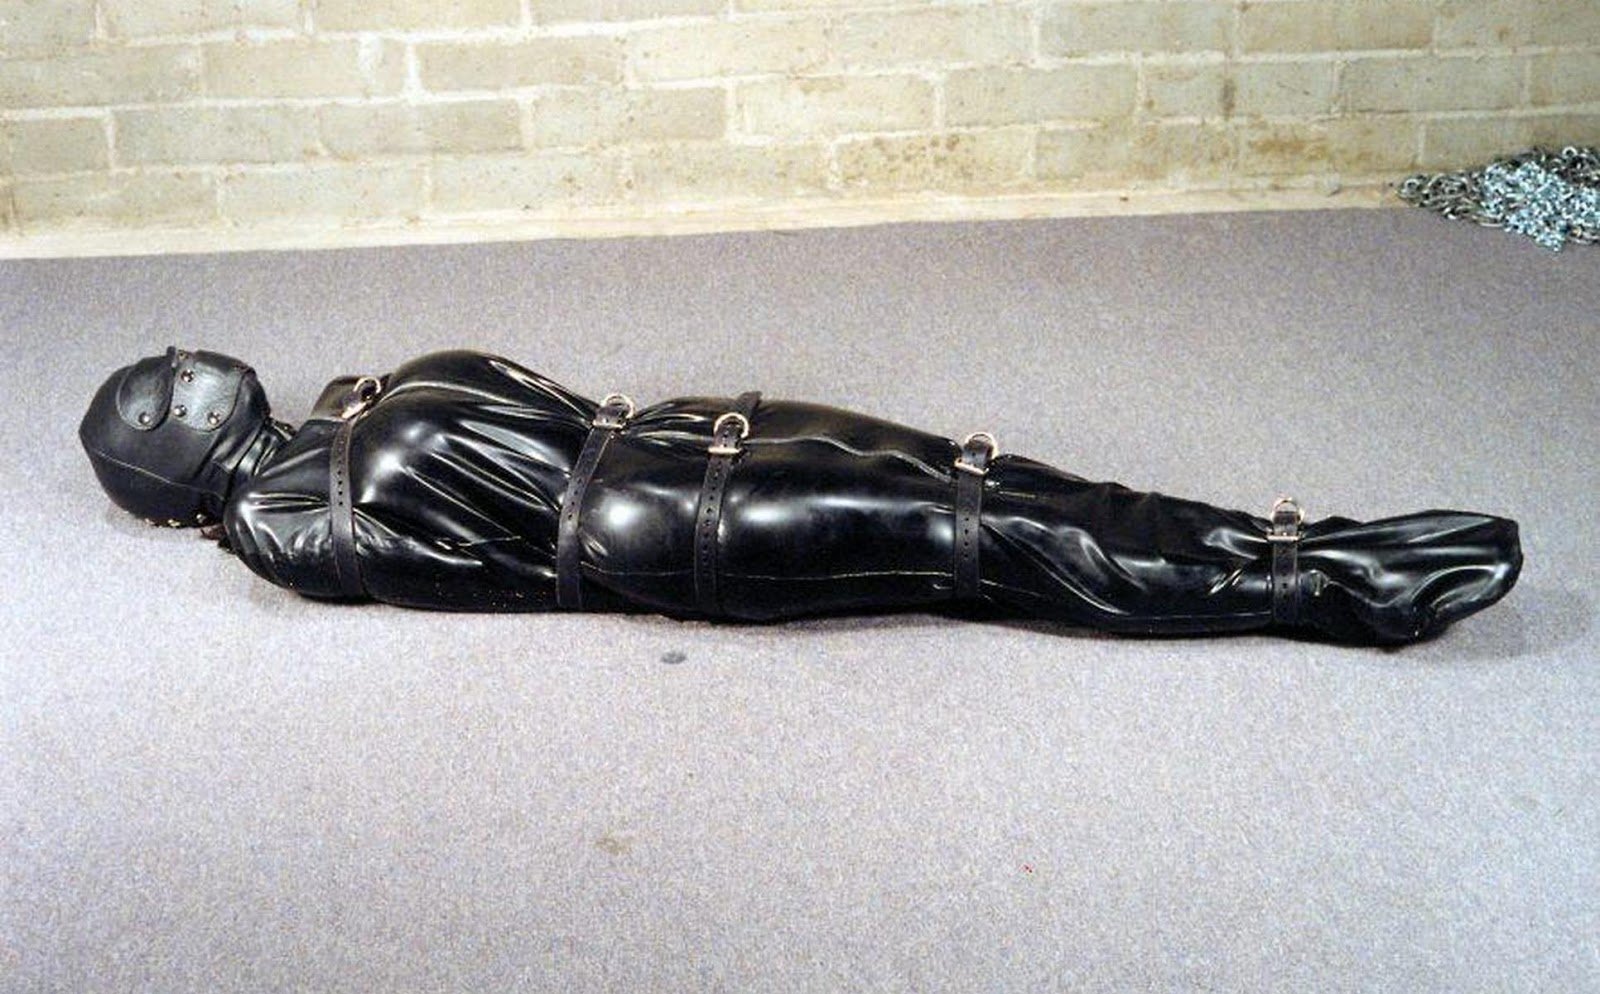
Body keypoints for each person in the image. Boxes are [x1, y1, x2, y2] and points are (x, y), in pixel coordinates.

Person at [79, 346, 1521, 644]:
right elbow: (473, 565)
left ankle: (1303, 539)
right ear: (170, 467)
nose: (187, 369)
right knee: (987, 538)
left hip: (693, 436)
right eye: (164, 394)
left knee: (994, 478)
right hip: (669, 526)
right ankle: (1328, 589)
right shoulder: (286, 521)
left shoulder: (341, 411)